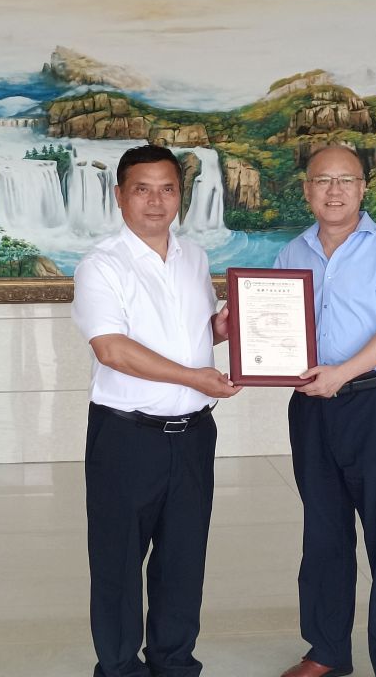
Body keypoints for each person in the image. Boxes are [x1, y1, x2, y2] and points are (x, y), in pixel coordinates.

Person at [71, 144, 240, 677]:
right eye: (142, 189)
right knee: (118, 562)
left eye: (167, 189)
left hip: (193, 434)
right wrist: (194, 377)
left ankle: (173, 662)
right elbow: (112, 349)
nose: (155, 201)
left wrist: (219, 330)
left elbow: (191, 333)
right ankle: (119, 668)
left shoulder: (195, 258)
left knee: (183, 559)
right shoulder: (101, 265)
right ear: (120, 196)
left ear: (180, 196)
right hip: (127, 438)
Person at [274, 146, 376, 677]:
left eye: (346, 179)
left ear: (364, 188)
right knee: (323, 531)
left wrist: (341, 373)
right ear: (307, 190)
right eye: (323, 180)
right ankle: (326, 651)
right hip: (309, 409)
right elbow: (272, 329)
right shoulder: (289, 255)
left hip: (372, 405)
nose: (335, 190)